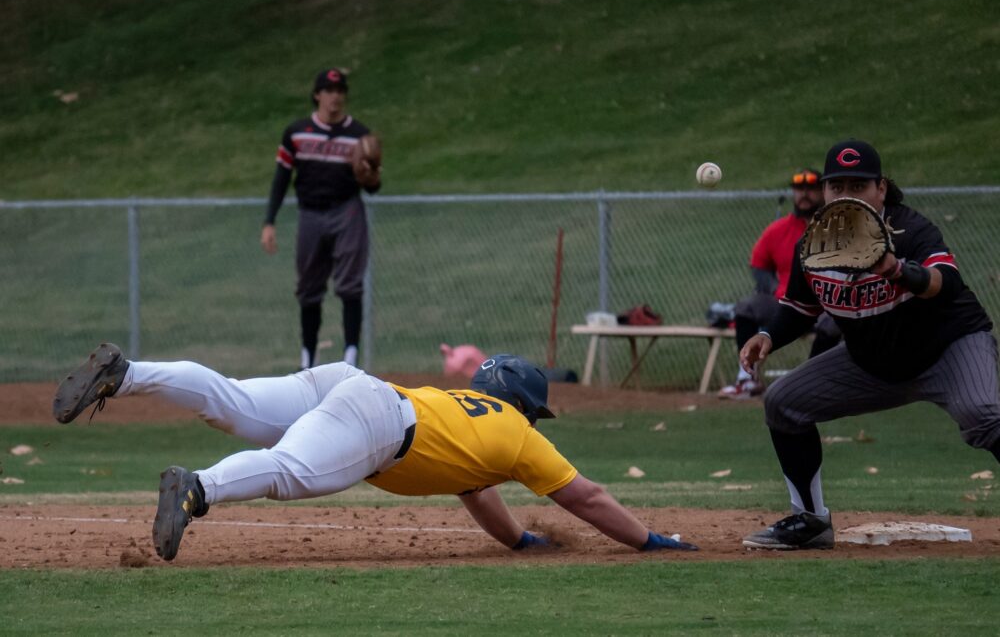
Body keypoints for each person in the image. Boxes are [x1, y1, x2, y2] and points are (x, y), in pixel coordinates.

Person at [52, 344, 699, 561]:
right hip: (377, 422)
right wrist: (650, 541)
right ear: (524, 404)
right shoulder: (520, 437)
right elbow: (586, 497)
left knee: (234, 401)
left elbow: (477, 494)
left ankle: (128, 374)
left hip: (354, 384)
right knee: (291, 472)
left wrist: (520, 541)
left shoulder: (466, 418)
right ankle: (197, 489)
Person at [738, 139, 999, 550]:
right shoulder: (813, 242)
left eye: (857, 186)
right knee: (782, 402)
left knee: (983, 413)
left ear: (881, 189)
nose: (845, 195)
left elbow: (946, 282)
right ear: (824, 191)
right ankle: (811, 522)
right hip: (871, 364)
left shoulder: (909, 229)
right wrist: (767, 335)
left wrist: (897, 270)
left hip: (948, 349)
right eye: (836, 186)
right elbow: (801, 307)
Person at [260, 68, 381, 370]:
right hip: (310, 214)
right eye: (328, 91)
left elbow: (373, 187)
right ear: (317, 95)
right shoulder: (297, 133)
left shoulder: (359, 135)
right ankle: (307, 360)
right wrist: (269, 221)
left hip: (347, 211)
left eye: (340, 91)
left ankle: (350, 358)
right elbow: (281, 178)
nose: (335, 97)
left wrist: (370, 176)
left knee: (350, 285)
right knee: (309, 288)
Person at [718, 168, 841, 399]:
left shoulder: (837, 228)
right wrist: (773, 288)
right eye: (799, 189)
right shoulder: (778, 230)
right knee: (746, 307)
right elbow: (758, 264)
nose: (804, 194)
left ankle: (811, 384)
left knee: (833, 321)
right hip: (785, 303)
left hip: (826, 305)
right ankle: (747, 380)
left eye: (811, 188)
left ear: (824, 191)